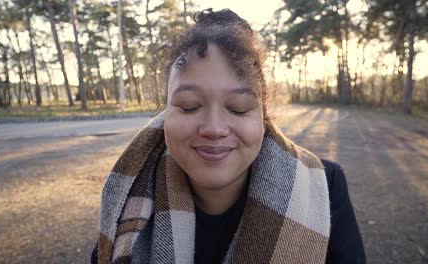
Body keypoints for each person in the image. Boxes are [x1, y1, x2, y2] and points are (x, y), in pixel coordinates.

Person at [91, 8, 365, 264]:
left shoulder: (323, 186)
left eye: (238, 108)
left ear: (262, 117)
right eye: (189, 106)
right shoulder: (128, 194)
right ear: (165, 114)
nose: (214, 128)